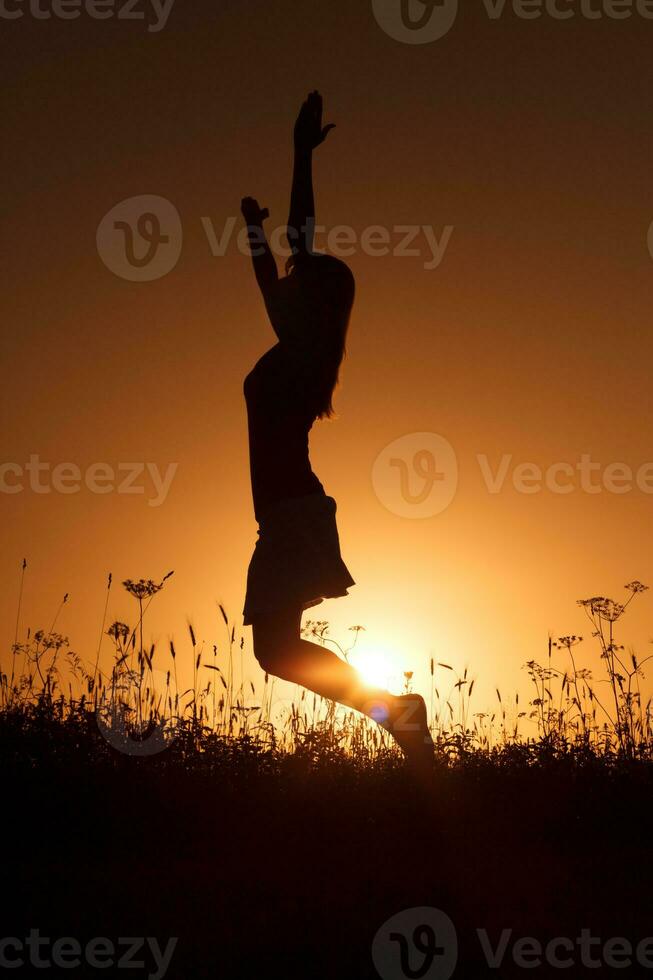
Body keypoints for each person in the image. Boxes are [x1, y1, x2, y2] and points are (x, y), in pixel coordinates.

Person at [241, 91, 433, 773]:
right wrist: (266, 211)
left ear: (316, 304)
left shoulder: (301, 351)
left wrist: (273, 207)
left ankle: (395, 713)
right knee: (276, 652)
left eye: (305, 279)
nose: (295, 277)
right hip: (288, 515)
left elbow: (289, 252)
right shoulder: (299, 345)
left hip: (292, 515)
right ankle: (395, 713)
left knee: (274, 651)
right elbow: (287, 256)